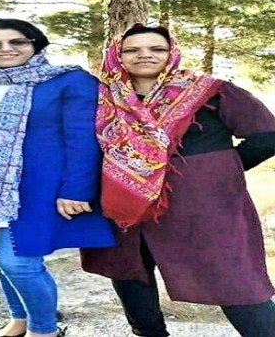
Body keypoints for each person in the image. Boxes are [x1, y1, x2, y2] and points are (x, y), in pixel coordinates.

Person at [81, 24, 275, 337]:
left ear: (172, 53)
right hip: (126, 204)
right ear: (118, 55)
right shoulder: (104, 99)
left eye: (156, 48)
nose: (144, 55)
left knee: (233, 277)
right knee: (130, 272)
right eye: (132, 50)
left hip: (201, 206)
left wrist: (217, 172)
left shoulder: (211, 91)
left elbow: (267, 137)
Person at [0, 19, 116, 337]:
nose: (5, 49)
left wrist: (77, 190)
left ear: (36, 44)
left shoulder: (69, 81)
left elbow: (83, 139)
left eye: (17, 42)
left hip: (41, 186)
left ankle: (44, 330)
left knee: (20, 262)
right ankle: (19, 320)